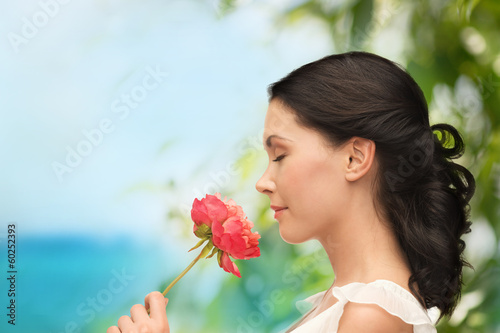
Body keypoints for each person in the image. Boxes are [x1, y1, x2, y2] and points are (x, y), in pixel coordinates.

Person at [107, 51, 475, 333]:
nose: (263, 181)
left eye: (280, 154)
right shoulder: (348, 302)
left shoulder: (372, 313)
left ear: (354, 157)